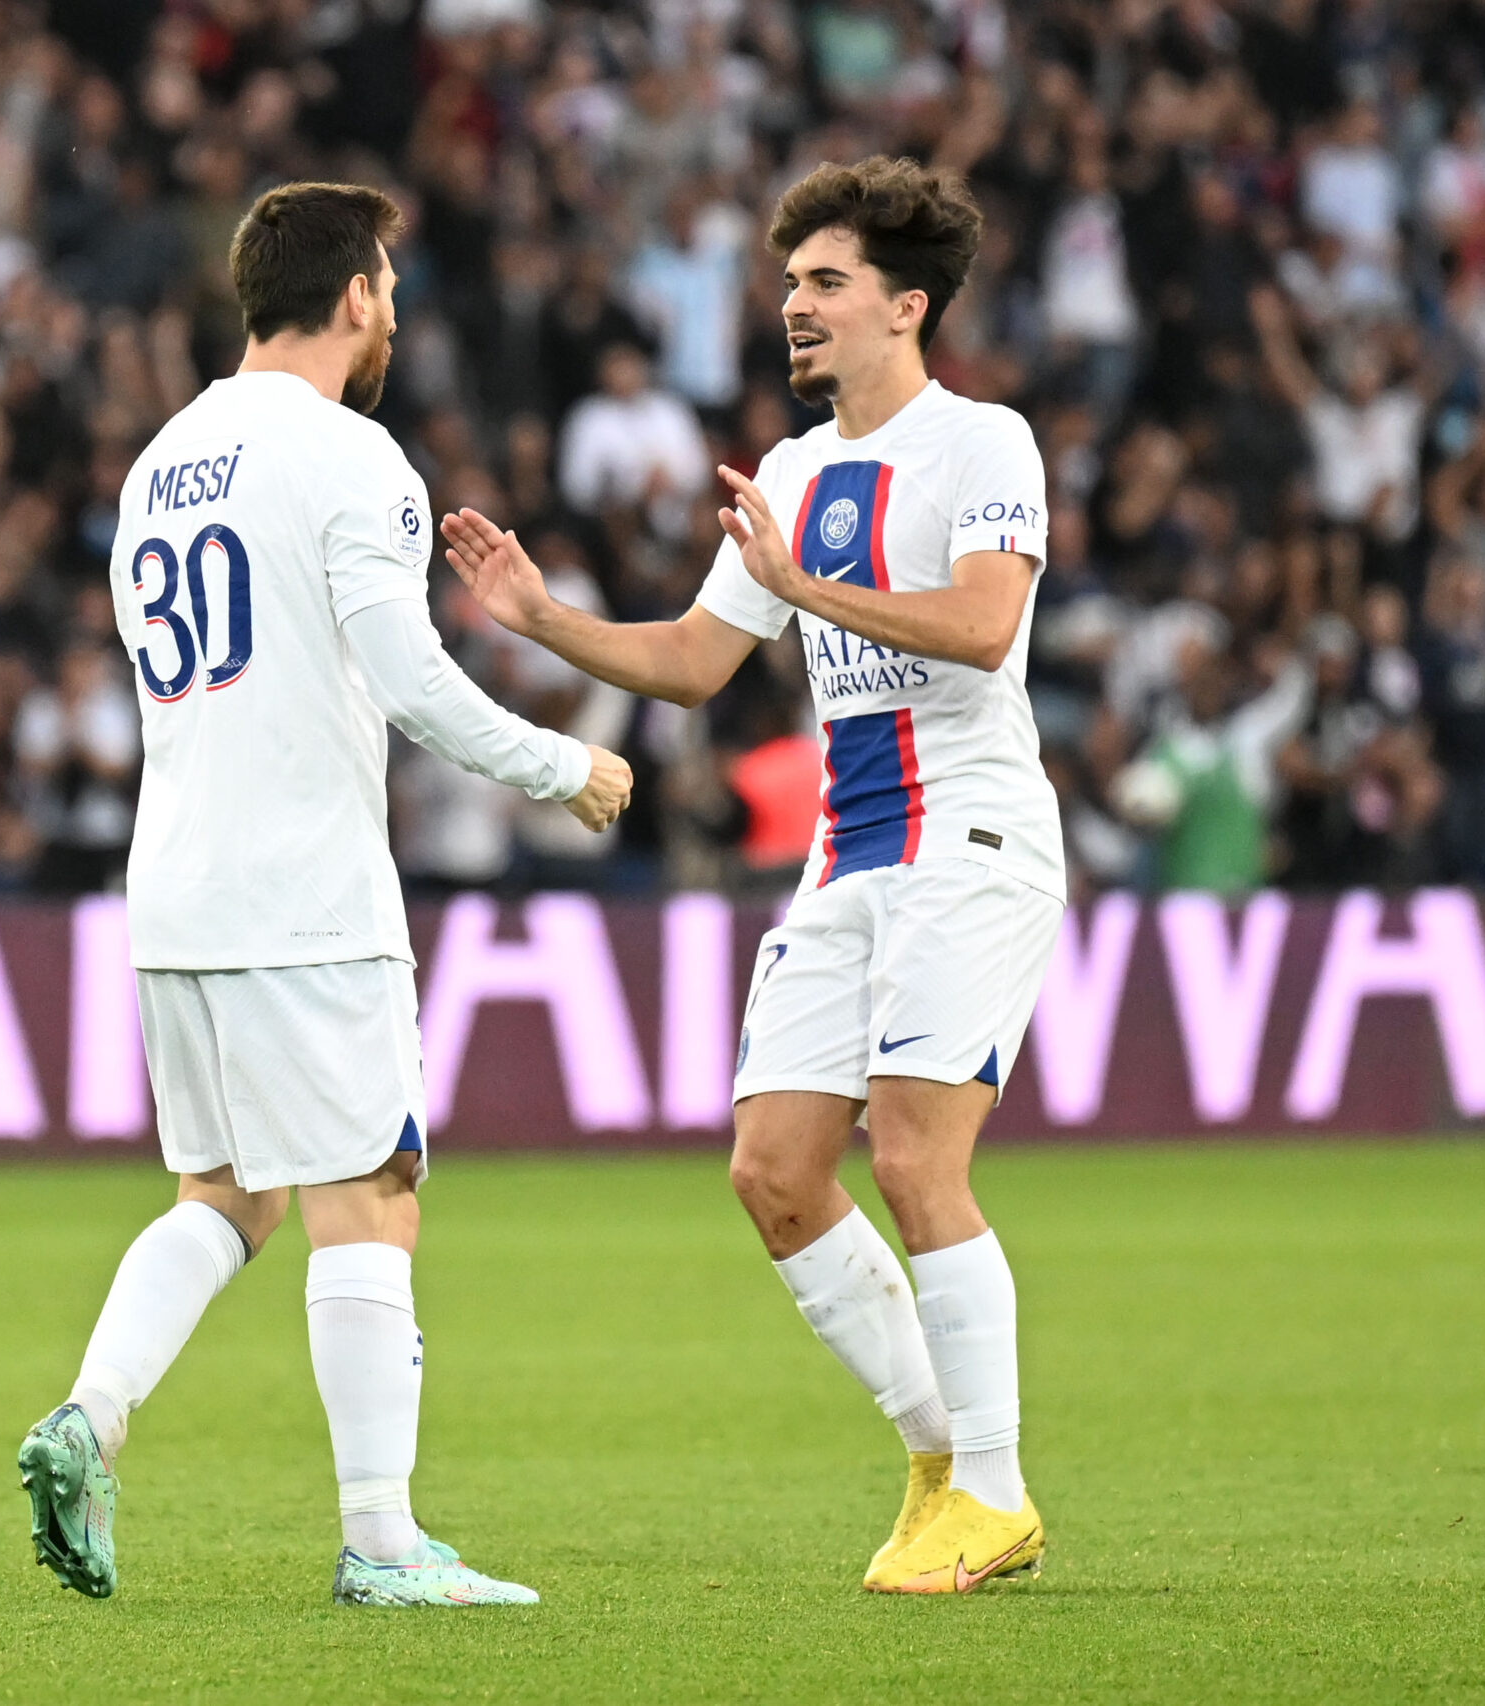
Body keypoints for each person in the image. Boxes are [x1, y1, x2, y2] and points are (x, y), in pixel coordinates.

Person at [441, 157, 1059, 1595]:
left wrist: (801, 591)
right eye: (789, 284)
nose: (795, 305)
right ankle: (936, 1462)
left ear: (907, 307)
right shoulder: (790, 473)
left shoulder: (986, 445)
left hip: (970, 838)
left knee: (912, 1155)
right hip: (846, 859)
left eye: (826, 282)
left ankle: (1000, 1486)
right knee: (775, 1174)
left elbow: (980, 628)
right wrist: (539, 617)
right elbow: (691, 664)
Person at [17, 182, 634, 1609]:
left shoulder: (160, 461)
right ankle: (382, 1541)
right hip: (304, 893)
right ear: (355, 295)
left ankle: (89, 1417)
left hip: (174, 890)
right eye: (392, 290)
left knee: (227, 1195)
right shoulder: (354, 458)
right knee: (375, 1189)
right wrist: (567, 768)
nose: (398, 315)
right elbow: (411, 680)